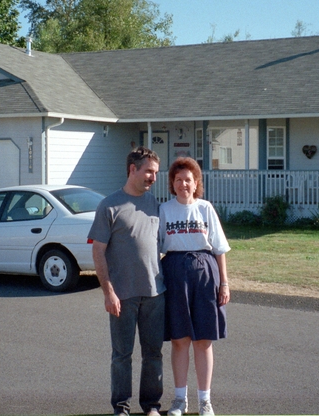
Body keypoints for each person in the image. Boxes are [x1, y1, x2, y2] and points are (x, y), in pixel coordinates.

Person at [89, 147, 166, 416]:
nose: (153, 178)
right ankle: (121, 408)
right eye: (149, 172)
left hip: (155, 294)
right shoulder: (109, 205)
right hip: (123, 296)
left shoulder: (156, 205)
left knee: (153, 354)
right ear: (132, 169)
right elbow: (98, 250)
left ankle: (151, 406)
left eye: (156, 173)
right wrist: (108, 292)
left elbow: (161, 245)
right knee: (122, 356)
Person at [159, 157, 230, 416]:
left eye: (188, 179)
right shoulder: (164, 210)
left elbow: (220, 249)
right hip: (175, 273)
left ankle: (205, 401)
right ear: (172, 183)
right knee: (179, 340)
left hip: (204, 273)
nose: (183, 184)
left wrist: (224, 283)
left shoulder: (205, 208)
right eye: (178, 180)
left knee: (203, 341)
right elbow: (155, 248)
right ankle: (180, 400)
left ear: (196, 182)